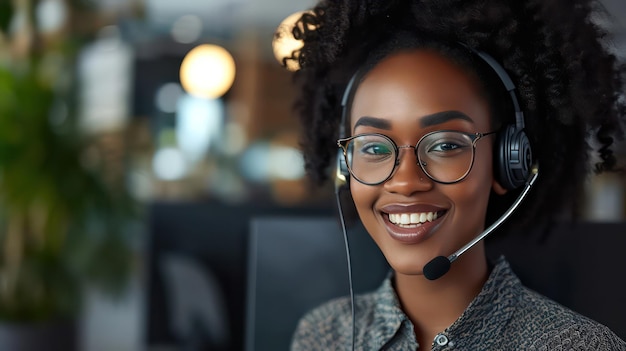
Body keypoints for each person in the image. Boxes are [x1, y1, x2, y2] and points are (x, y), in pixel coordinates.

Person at [284, 0, 626, 350]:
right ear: (346, 167)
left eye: (446, 146)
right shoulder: (324, 335)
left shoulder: (577, 346)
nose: (404, 181)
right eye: (374, 148)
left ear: (508, 160)